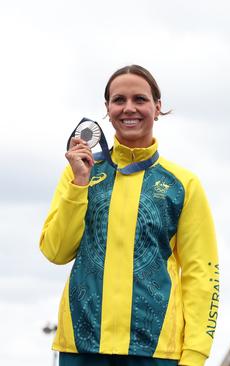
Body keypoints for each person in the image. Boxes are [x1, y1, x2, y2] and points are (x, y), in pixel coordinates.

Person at [39, 65, 219, 366]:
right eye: (119, 100)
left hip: (155, 352)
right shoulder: (79, 173)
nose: (129, 108)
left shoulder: (184, 185)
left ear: (157, 107)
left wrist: (196, 353)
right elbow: (56, 251)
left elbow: (203, 273)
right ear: (107, 110)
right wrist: (78, 185)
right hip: (82, 349)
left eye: (140, 99)